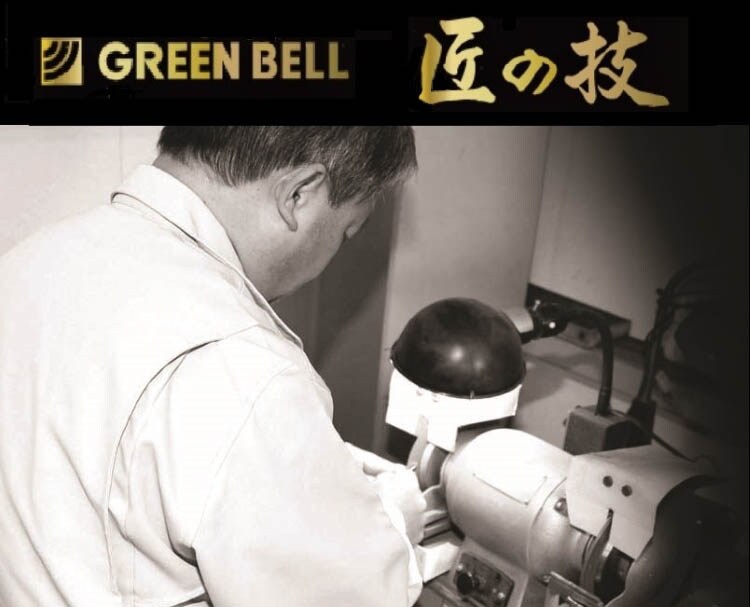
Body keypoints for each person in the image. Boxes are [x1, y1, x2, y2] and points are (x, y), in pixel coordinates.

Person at [0, 126, 425, 606]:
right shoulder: (244, 370)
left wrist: (304, 475)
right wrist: (392, 529)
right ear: (299, 195)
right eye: (348, 230)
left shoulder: (27, 261)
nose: (332, 254)